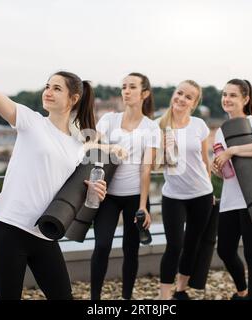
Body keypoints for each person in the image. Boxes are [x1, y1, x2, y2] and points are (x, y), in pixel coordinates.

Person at [0, 30, 107, 300]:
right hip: (9, 229)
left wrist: (93, 192)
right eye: (47, 86)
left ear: (74, 99)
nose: (48, 92)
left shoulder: (79, 145)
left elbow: (72, 193)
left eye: (57, 88)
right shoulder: (30, 121)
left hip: (44, 234)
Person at [90, 73, 160, 300]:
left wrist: (143, 206)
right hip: (107, 195)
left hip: (134, 197)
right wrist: (111, 149)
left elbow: (146, 168)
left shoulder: (151, 127)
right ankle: (94, 301)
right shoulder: (108, 120)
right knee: (101, 246)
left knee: (131, 251)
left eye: (132, 87)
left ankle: (127, 299)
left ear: (145, 93)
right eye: (123, 87)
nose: (126, 91)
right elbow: (91, 146)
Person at [212, 79, 252, 300]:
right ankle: (242, 291)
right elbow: (226, 168)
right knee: (225, 251)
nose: (226, 99)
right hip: (230, 199)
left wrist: (233, 150)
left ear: (245, 99)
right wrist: (218, 167)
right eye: (224, 94)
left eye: (233, 95)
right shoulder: (220, 131)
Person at [155, 80, 214, 300]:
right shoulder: (158, 125)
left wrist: (210, 192)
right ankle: (164, 297)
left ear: (194, 103)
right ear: (173, 94)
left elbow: (205, 161)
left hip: (202, 194)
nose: (182, 98)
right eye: (179, 93)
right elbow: (152, 165)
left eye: (188, 97)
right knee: (174, 245)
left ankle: (180, 290)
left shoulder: (199, 125)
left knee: (192, 244)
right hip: (173, 196)